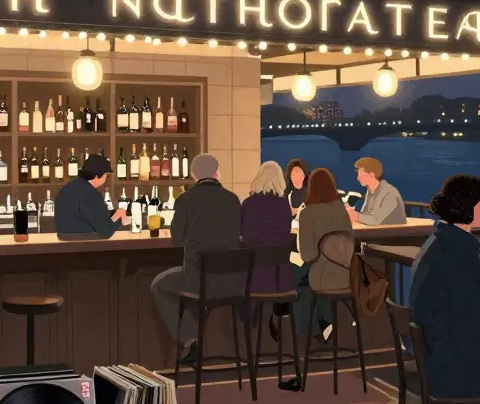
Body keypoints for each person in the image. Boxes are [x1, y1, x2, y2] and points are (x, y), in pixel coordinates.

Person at [407, 175, 480, 397]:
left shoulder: (438, 243)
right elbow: (479, 324)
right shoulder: (461, 253)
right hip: (453, 373)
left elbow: (461, 296)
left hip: (432, 362)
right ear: (468, 208)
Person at [150, 153, 243, 366]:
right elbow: (238, 233)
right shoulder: (232, 199)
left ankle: (190, 338)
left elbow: (177, 238)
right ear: (218, 172)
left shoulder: (185, 199)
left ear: (193, 175)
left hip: (197, 279)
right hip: (232, 281)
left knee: (158, 285)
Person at [292, 168, 352, 349]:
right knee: (319, 275)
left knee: (297, 277)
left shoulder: (308, 213)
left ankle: (303, 334)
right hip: (346, 274)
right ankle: (326, 326)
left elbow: (307, 255)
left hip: (322, 276)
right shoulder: (342, 210)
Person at [241, 161, 296, 343]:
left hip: (254, 277)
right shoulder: (283, 205)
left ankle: (249, 338)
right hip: (281, 278)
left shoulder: (249, 204)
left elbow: (246, 237)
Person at [54, 154, 126, 239]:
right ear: (97, 175)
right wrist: (118, 215)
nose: (106, 178)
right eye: (106, 175)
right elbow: (106, 232)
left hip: (64, 246)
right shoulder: (92, 195)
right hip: (87, 247)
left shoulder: (65, 190)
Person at [346, 157, 405, 225]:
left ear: (372, 175)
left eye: (361, 174)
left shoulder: (389, 193)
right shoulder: (370, 191)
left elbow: (376, 220)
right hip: (378, 231)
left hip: (394, 233)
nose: (358, 178)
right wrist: (351, 212)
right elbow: (366, 214)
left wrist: (355, 215)